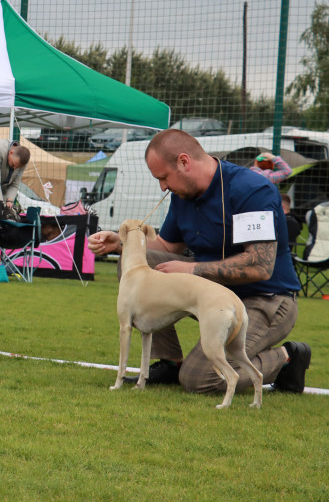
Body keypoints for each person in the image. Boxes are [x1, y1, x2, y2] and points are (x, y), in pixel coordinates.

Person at [87, 129, 311, 394]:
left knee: (202, 379)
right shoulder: (182, 195)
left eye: (164, 177)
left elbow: (259, 265)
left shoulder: (252, 189)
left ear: (184, 162)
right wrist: (124, 244)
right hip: (211, 296)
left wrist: (192, 270)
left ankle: (287, 358)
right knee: (138, 263)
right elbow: (168, 247)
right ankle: (169, 361)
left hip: (267, 299)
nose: (162, 186)